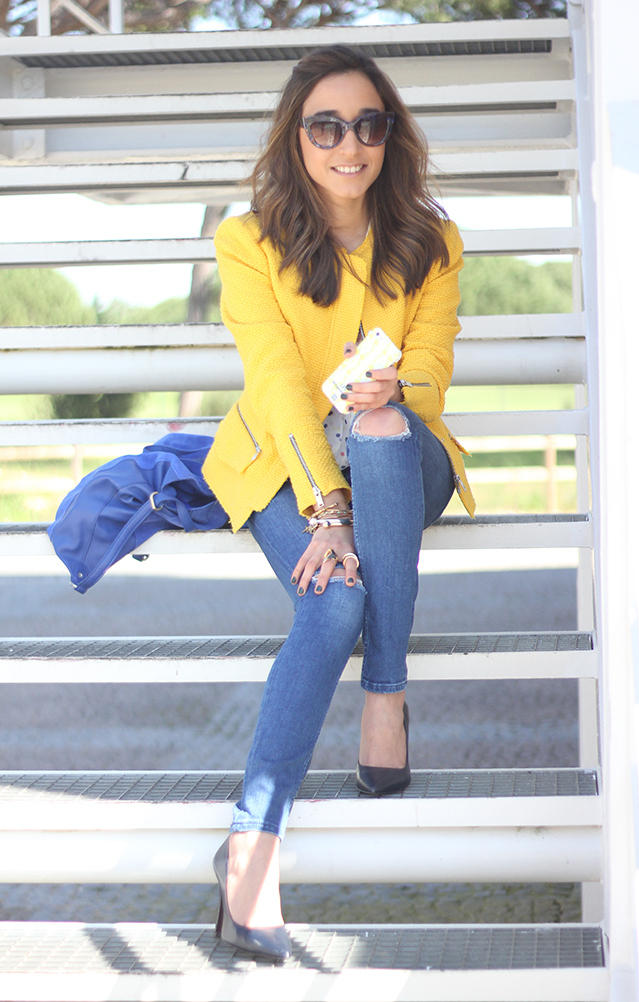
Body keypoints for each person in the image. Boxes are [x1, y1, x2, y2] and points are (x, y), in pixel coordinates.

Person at [202, 44, 476, 961]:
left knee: (387, 425)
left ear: (390, 136)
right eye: (326, 127)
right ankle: (251, 849)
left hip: (400, 460)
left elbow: (431, 373)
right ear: (297, 137)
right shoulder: (249, 242)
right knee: (334, 603)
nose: (348, 145)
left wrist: (397, 389)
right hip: (289, 467)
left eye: (367, 125)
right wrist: (328, 508)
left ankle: (383, 697)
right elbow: (278, 382)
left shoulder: (431, 241)